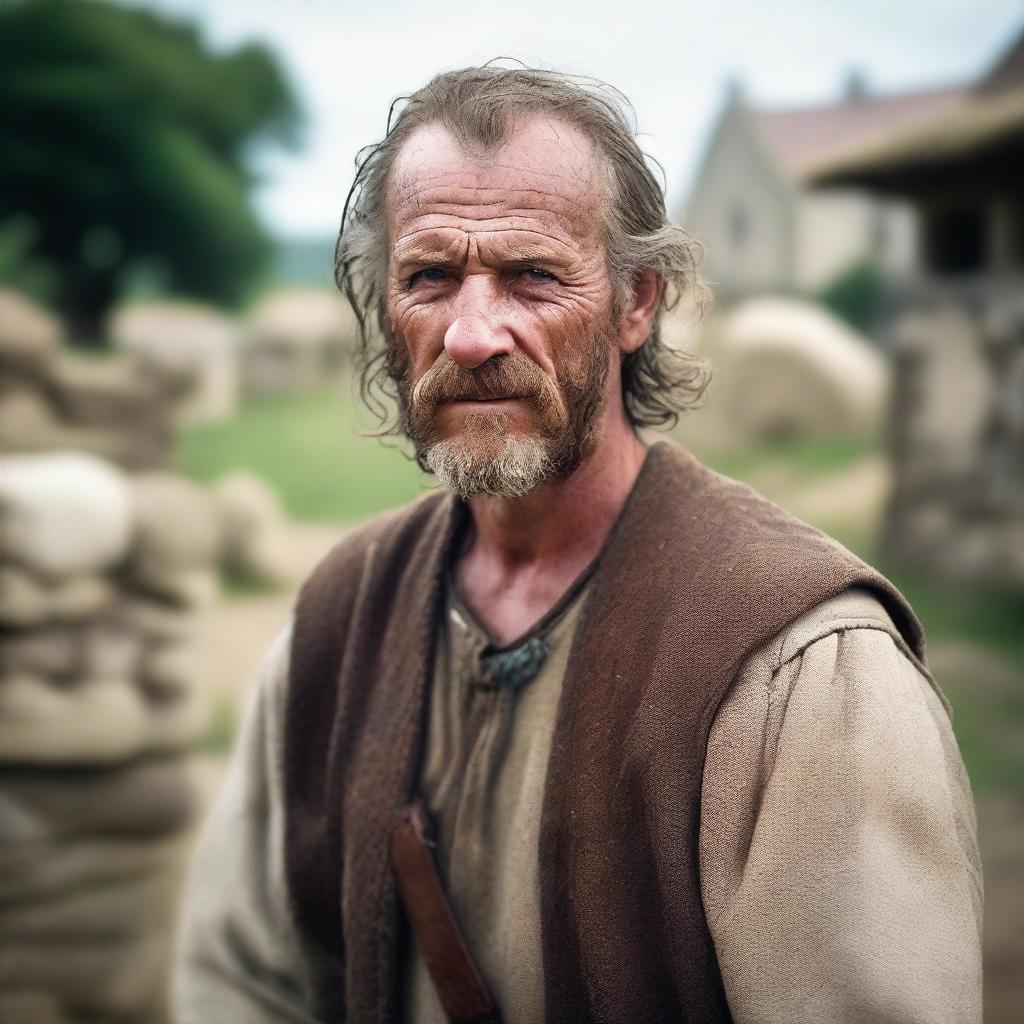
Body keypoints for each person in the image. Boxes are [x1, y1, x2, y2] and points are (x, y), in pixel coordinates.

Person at [173, 67, 983, 1024]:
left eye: (534, 276)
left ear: (637, 303)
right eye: (430, 277)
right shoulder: (339, 625)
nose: (471, 334)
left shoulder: (804, 673)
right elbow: (240, 987)